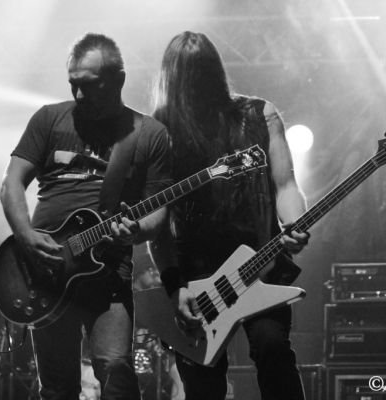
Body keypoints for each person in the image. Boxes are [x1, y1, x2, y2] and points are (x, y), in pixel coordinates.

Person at [0, 32, 172, 400]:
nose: (78, 94)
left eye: (90, 85)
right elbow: (11, 182)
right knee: (56, 387)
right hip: (45, 270)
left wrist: (137, 230)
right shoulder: (49, 119)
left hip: (107, 271)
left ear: (118, 80)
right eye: (72, 84)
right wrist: (25, 235)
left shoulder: (149, 134)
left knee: (117, 372)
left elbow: (158, 210)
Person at [149, 31, 310, 400]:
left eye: (201, 76)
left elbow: (285, 184)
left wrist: (295, 224)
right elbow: (158, 224)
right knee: (202, 384)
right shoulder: (159, 131)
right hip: (196, 280)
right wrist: (174, 287)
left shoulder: (259, 115)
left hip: (261, 265)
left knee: (272, 349)